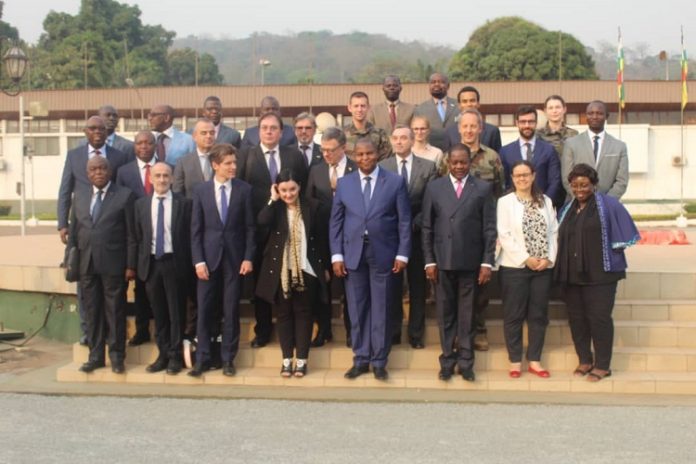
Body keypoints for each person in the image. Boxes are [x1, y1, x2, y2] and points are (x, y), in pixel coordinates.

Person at [330, 138, 411, 381]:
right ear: (354, 156)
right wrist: (336, 255)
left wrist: (402, 253)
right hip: (353, 254)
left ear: (378, 154)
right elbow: (336, 222)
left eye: (369, 154)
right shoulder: (344, 184)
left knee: (382, 308)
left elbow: (404, 220)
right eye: (360, 154)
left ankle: (379, 360)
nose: (365, 158)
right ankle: (361, 358)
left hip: (384, 253)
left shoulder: (395, 182)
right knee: (357, 308)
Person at [555, 163, 639, 382]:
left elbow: (626, 236)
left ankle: (603, 365)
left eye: (584, 185)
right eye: (575, 185)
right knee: (577, 319)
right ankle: (584, 359)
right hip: (572, 276)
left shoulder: (609, 205)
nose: (580, 189)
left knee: (599, 318)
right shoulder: (567, 209)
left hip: (601, 275)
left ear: (593, 184)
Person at [421, 144, 496, 382]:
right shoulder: (434, 188)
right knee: (445, 314)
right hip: (442, 261)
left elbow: (489, 228)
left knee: (467, 314)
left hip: (471, 262)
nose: (459, 166)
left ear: (470, 162)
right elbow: (427, 227)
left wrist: (487, 262)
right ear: (448, 163)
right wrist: (429, 261)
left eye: (463, 162)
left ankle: (466, 362)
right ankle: (447, 360)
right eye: (455, 162)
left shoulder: (483, 188)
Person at [237, 112, 308, 348]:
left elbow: (303, 189)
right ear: (258, 131)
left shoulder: (294, 155)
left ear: (281, 132)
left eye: (274, 128)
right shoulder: (246, 155)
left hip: (288, 228)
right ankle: (263, 330)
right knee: (261, 284)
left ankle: (292, 330)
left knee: (291, 280)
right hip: (257, 229)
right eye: (265, 128)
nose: (269, 132)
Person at [57, 116, 129, 345]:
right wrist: (62, 223)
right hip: (84, 229)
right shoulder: (74, 155)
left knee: (112, 294)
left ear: (108, 131)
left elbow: (122, 191)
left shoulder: (119, 156)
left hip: (110, 236)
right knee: (85, 289)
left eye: (101, 128)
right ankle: (88, 333)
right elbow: (65, 190)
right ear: (85, 131)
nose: (98, 132)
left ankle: (112, 337)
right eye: (92, 128)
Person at [189, 144, 255, 377]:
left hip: (235, 261)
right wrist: (198, 261)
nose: (233, 167)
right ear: (215, 165)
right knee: (205, 310)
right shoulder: (201, 191)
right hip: (207, 261)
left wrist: (248, 257)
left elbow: (250, 228)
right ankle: (203, 358)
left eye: (234, 162)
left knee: (231, 310)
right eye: (228, 163)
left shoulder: (244, 190)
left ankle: (228, 359)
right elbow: (195, 230)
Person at [256, 169, 329, 377]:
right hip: (280, 271)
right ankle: (287, 359)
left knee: (304, 314)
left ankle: (302, 360)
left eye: (292, 189)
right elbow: (262, 221)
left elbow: (321, 239)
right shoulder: (275, 208)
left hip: (306, 269)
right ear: (277, 189)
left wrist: (324, 268)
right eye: (283, 190)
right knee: (284, 315)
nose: (288, 194)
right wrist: (272, 199)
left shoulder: (313, 207)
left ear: (299, 187)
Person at [68, 156, 136, 374]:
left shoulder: (124, 196)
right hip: (86, 263)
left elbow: (131, 235)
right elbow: (74, 232)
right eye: (93, 169)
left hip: (114, 264)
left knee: (115, 310)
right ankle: (96, 355)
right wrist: (71, 262)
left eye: (102, 168)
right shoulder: (79, 196)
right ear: (88, 174)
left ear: (109, 171)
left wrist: (130, 265)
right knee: (92, 311)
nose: (98, 172)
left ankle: (117, 356)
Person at [497, 160, 558, 379]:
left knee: (538, 315)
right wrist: (526, 258)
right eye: (517, 176)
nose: (522, 179)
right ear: (512, 179)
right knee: (514, 315)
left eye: (526, 175)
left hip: (542, 268)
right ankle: (515, 361)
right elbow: (504, 235)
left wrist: (548, 258)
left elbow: (553, 232)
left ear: (533, 176)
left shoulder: (546, 202)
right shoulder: (505, 202)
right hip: (515, 267)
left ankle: (535, 360)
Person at [379, 125, 437, 348]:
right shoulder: (383, 167)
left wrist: (414, 223)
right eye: (395, 138)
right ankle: (394, 330)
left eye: (404, 138)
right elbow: (380, 202)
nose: (399, 141)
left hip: (417, 233)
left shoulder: (429, 167)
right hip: (390, 236)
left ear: (413, 141)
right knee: (392, 284)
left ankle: (415, 334)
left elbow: (431, 202)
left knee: (417, 285)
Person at [133, 162, 192, 375]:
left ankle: (175, 356)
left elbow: (189, 237)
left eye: (166, 175)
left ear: (172, 179)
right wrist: (134, 266)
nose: (161, 180)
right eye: (157, 175)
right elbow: (136, 237)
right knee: (158, 313)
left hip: (174, 263)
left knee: (176, 312)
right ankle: (163, 354)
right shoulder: (140, 205)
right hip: (151, 265)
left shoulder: (184, 204)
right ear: (150, 178)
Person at [455, 108, 505, 352]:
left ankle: (480, 331)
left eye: (473, 126)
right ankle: (459, 333)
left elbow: (500, 193)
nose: (469, 130)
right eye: (465, 126)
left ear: (480, 128)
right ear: (459, 129)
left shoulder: (492, 158)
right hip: (457, 232)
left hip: (483, 229)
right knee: (457, 286)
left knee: (481, 284)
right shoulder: (450, 157)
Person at [305, 127, 357, 347]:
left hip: (351, 237)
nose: (326, 154)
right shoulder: (316, 171)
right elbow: (309, 202)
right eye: (323, 150)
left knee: (351, 288)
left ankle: (352, 332)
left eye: (331, 150)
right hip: (323, 238)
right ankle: (324, 330)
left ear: (343, 148)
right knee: (321, 288)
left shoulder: (356, 169)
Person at [116, 131, 158, 346]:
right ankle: (142, 330)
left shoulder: (166, 169)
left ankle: (163, 333)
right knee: (141, 288)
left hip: (161, 238)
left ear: (155, 145)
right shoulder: (124, 173)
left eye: (148, 142)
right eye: (139, 143)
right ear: (134, 146)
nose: (144, 147)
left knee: (161, 290)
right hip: (138, 238)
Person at [561, 101, 629, 200]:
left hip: (608, 206)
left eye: (599, 113)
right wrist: (582, 198)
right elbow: (566, 178)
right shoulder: (571, 143)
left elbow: (622, 181)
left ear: (607, 116)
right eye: (590, 113)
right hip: (577, 205)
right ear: (586, 116)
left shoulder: (619, 146)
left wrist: (604, 202)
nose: (595, 117)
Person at [499, 105, 561, 204]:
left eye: (531, 122)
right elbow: (504, 183)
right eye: (523, 122)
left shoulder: (548, 150)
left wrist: (544, 203)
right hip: (515, 207)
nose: (527, 125)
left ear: (536, 123)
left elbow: (555, 182)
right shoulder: (505, 152)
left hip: (542, 205)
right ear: (517, 123)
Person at [444, 86, 502, 153]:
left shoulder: (492, 131)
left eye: (472, 100)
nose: (469, 104)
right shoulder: (450, 132)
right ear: (459, 105)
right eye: (464, 101)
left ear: (478, 104)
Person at [413, 72, 459, 151]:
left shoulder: (459, 105)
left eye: (441, 82)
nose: (436, 84)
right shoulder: (420, 109)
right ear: (429, 86)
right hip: (430, 153)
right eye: (433, 82)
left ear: (448, 86)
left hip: (456, 151)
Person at [173, 119, 217, 199]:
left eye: (212, 133)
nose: (209, 136)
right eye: (204, 133)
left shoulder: (222, 159)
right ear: (194, 137)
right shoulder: (183, 162)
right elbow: (177, 192)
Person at [344, 91, 391, 160]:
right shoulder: (341, 135)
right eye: (356, 106)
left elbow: (386, 161)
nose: (359, 110)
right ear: (349, 108)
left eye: (363, 106)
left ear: (368, 107)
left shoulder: (380, 134)